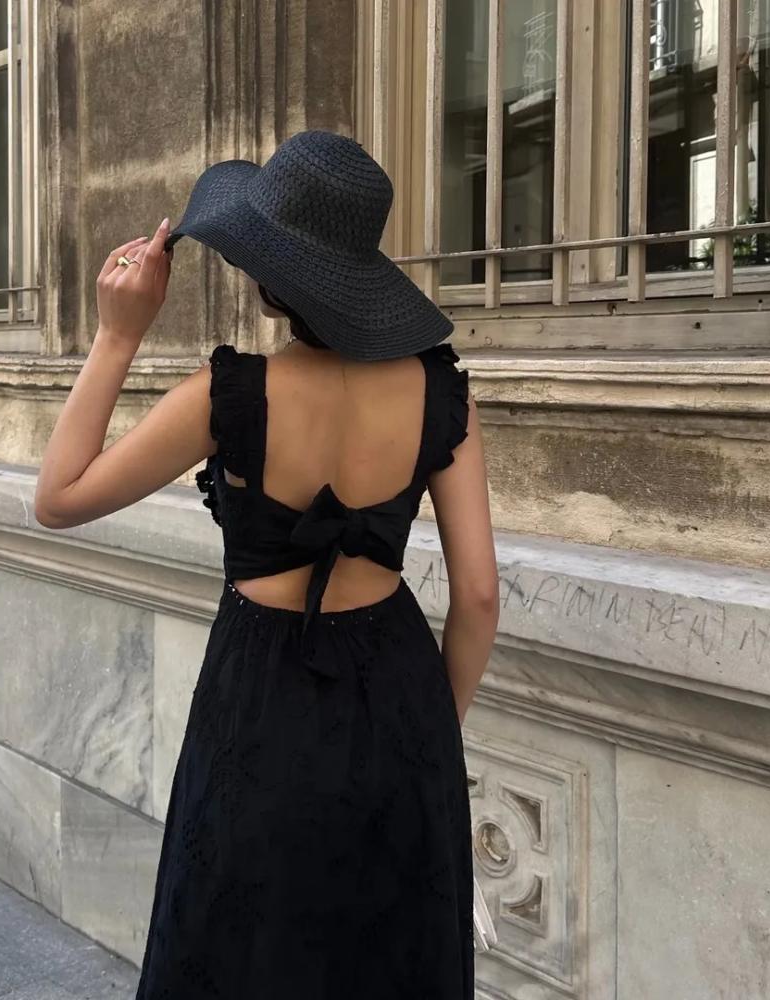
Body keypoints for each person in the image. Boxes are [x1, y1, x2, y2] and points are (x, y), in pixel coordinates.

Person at [34, 129, 499, 999]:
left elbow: (58, 498)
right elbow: (477, 596)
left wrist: (116, 335)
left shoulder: (230, 397)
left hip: (261, 696)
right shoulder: (444, 393)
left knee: (242, 948)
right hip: (402, 696)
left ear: (271, 276)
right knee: (386, 959)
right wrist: (433, 732)